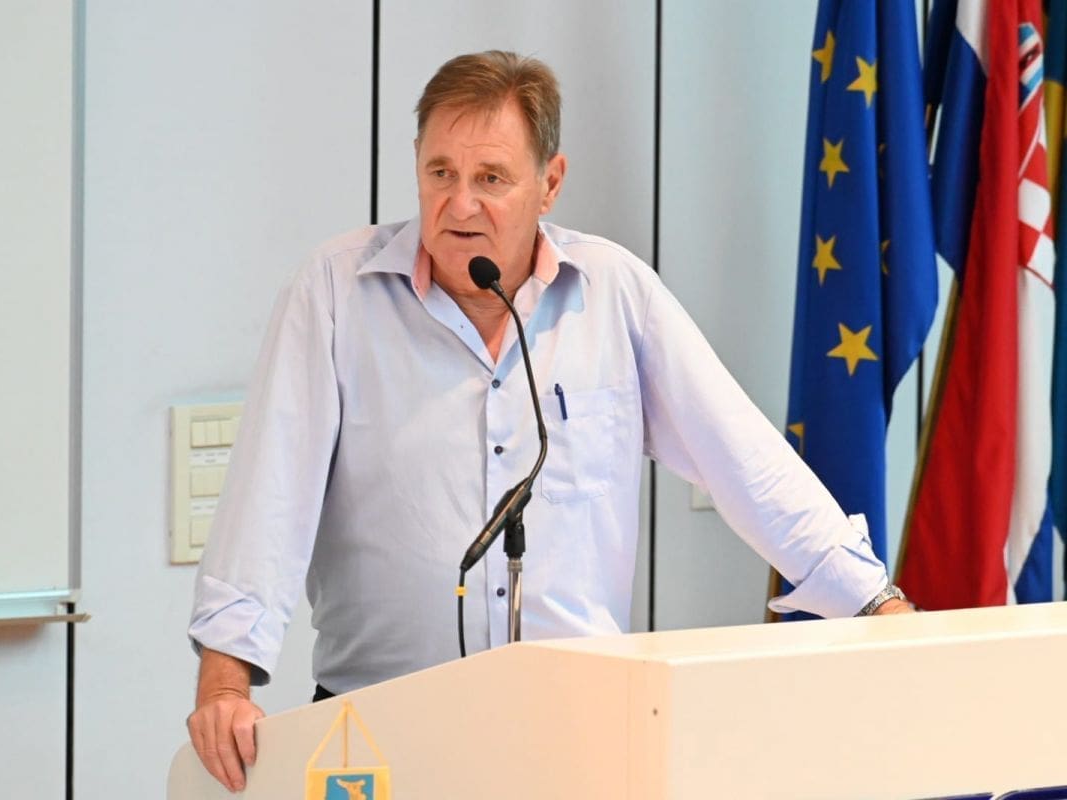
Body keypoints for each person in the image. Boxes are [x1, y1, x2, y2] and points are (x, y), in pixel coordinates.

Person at [186, 50, 912, 792]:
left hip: (578, 731)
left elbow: (747, 461)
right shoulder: (336, 292)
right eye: (441, 173)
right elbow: (270, 491)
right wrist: (225, 682)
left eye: (491, 179)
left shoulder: (614, 294)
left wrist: (874, 602)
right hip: (378, 730)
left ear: (550, 182)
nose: (459, 205)